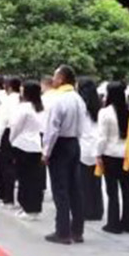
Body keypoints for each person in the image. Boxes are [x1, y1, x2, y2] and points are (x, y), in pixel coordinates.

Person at [43, 65, 86, 245]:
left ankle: (63, 232)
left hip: (60, 144)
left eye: (55, 76)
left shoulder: (59, 100)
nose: (53, 80)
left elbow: (52, 129)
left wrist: (46, 151)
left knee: (60, 189)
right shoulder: (78, 99)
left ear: (61, 79)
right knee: (75, 188)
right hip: (74, 143)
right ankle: (77, 230)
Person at [96, 82, 129, 234]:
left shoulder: (105, 112)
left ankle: (113, 223)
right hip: (125, 154)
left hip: (110, 153)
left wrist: (98, 154)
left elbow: (102, 138)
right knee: (126, 188)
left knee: (112, 190)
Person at [10, 81, 45, 220]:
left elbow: (16, 127)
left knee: (24, 178)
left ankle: (27, 208)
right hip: (36, 145)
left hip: (23, 145)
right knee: (34, 179)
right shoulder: (40, 107)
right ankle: (34, 208)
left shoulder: (24, 108)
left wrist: (11, 141)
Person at [77, 78, 103, 222]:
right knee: (96, 182)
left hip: (83, 147)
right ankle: (97, 210)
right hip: (96, 147)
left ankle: (86, 210)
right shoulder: (99, 106)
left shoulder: (80, 106)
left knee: (83, 182)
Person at [0, 76, 21, 205]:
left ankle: (6, 196)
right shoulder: (23, 99)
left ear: (9, 87)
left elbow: (2, 121)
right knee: (16, 166)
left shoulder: (7, 100)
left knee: (6, 166)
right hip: (21, 133)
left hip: (8, 132)